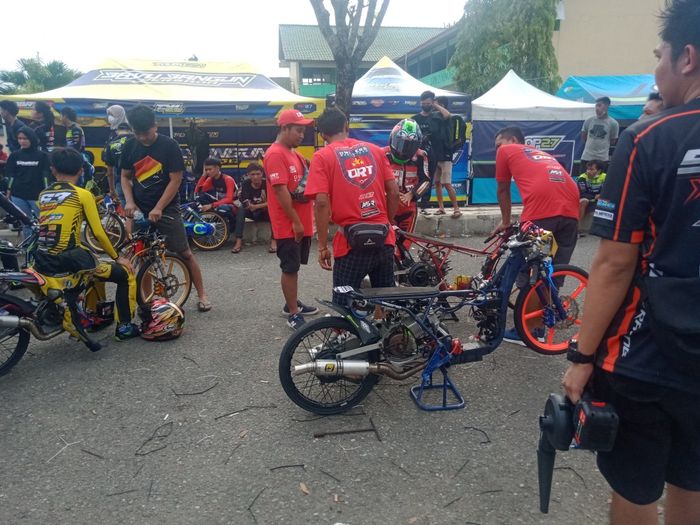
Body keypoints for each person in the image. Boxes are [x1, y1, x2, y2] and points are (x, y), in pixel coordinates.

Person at [563, 2, 700, 523]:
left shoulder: (648, 138)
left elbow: (614, 266)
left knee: (638, 489)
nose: (656, 68)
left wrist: (581, 357)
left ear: (686, 57)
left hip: (646, 356)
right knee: (692, 480)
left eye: (659, 55)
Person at [33, 148, 139, 341]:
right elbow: (98, 232)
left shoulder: (43, 195)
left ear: (53, 169)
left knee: (94, 266)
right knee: (126, 274)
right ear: (81, 170)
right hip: (69, 262)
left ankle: (94, 316)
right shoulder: (82, 194)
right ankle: (125, 327)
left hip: (43, 260)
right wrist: (119, 257)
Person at [492, 126, 580, 345]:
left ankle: (530, 331)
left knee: (527, 270)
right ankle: (542, 323)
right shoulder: (539, 154)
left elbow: (502, 189)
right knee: (553, 271)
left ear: (512, 140)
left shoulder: (507, 150)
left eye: (498, 144)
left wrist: (505, 222)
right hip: (571, 212)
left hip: (542, 212)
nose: (497, 151)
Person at [120, 104, 212, 312]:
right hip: (140, 210)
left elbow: (175, 180)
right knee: (143, 256)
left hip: (167, 208)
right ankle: (147, 301)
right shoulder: (129, 146)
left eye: (146, 132)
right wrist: (129, 201)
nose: (143, 138)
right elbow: (125, 177)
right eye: (137, 133)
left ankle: (202, 294)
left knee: (184, 252)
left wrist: (159, 207)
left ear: (155, 126)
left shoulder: (169, 146)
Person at [304, 107, 399, 306]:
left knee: (343, 302)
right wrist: (388, 223)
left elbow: (321, 203)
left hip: (350, 245)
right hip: (383, 239)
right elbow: (393, 191)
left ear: (322, 134)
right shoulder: (375, 150)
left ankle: (344, 333)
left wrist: (322, 246)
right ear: (346, 125)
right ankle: (387, 332)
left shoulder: (322, 157)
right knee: (386, 300)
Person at [263, 109, 319, 329]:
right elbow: (280, 191)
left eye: (303, 130)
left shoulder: (292, 153)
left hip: (300, 222)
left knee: (295, 266)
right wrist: (295, 221)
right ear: (284, 128)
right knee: (290, 267)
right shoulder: (275, 154)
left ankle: (292, 302)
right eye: (298, 130)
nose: (301, 135)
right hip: (288, 224)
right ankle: (293, 313)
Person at [383, 118, 430, 245]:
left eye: (409, 146)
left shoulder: (421, 156)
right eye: (400, 143)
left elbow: (426, 181)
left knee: (405, 244)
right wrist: (389, 195)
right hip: (387, 206)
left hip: (409, 208)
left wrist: (412, 194)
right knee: (386, 243)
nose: (403, 149)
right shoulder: (382, 155)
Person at [4, 127, 51, 239]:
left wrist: (46, 191)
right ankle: (28, 247)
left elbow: (46, 176)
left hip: (37, 195)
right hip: (18, 195)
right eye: (19, 138)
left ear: (32, 139)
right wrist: (9, 191)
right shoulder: (14, 156)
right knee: (26, 223)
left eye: (25, 138)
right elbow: (11, 175)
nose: (22, 141)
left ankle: (44, 244)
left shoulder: (43, 156)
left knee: (44, 221)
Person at [231, 162, 275, 254]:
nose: (255, 177)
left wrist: (257, 206)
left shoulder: (267, 184)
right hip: (252, 211)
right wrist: (250, 206)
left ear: (262, 174)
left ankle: (274, 241)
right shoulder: (246, 184)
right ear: (248, 175)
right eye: (252, 174)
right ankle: (238, 241)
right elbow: (244, 200)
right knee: (241, 209)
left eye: (258, 174)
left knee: (273, 210)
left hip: (265, 212)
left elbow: (273, 202)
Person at [412, 90, 441, 214]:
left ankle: (424, 205)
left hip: (432, 155)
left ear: (432, 103)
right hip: (416, 155)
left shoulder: (437, 117)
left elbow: (448, 116)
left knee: (427, 179)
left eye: (428, 103)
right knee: (415, 178)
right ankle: (413, 203)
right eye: (423, 103)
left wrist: (436, 106)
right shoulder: (414, 119)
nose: (426, 105)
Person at [432, 96, 461, 217]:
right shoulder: (435, 118)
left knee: (447, 183)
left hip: (446, 156)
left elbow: (447, 114)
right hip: (436, 156)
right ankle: (441, 208)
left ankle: (456, 209)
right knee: (437, 183)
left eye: (436, 104)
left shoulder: (448, 117)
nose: (433, 106)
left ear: (442, 105)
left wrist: (435, 105)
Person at [581, 96, 619, 171]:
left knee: (601, 182)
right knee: (583, 181)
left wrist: (601, 144)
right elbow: (583, 135)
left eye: (599, 105)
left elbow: (613, 140)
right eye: (596, 105)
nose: (597, 108)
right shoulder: (589, 120)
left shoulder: (613, 123)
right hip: (586, 157)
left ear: (607, 106)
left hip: (602, 159)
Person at [102, 105, 132, 204]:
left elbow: (110, 171)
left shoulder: (113, 141)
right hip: (140, 182)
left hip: (121, 182)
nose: (109, 118)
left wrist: (112, 189)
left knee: (129, 213)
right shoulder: (136, 139)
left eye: (111, 115)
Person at [577, 159, 607, 233]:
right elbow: (582, 193)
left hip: (600, 198)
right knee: (583, 201)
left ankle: (606, 229)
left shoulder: (605, 177)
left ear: (599, 171)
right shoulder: (582, 177)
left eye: (591, 169)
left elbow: (610, 190)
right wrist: (594, 197)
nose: (588, 171)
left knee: (610, 202)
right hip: (588, 199)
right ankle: (578, 227)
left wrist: (601, 195)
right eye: (588, 169)